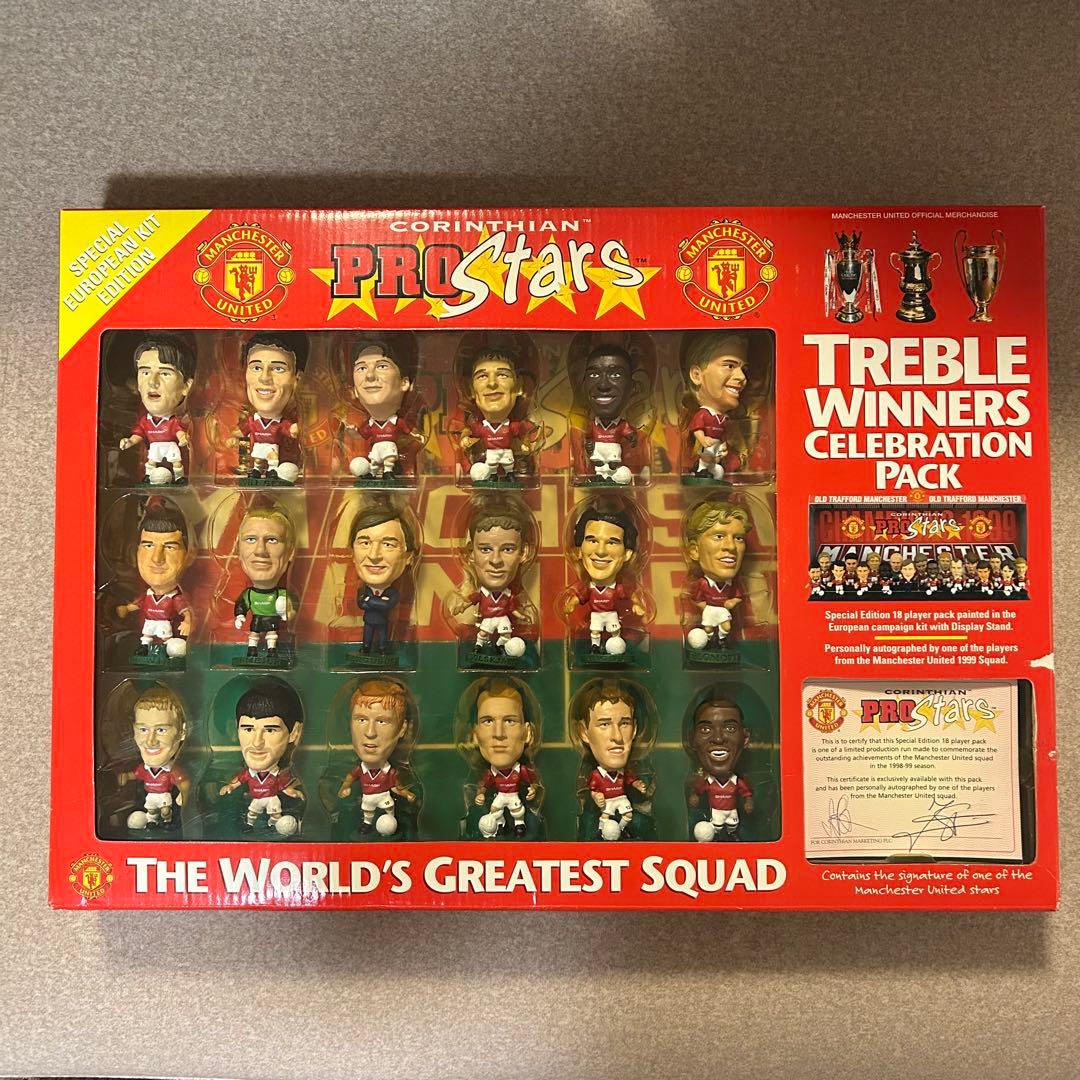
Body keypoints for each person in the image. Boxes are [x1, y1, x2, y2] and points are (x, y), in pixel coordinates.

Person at [445, 502, 535, 659]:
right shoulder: (481, 593)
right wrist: (462, 605)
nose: (496, 560)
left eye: (508, 549)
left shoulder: (509, 595)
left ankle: (500, 648)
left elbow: (513, 608)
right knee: (482, 634)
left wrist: (522, 616)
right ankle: (478, 648)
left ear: (524, 553)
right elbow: (470, 600)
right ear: (470, 553)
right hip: (486, 621)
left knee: (505, 633)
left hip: (502, 620)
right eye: (485, 549)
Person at [218, 678, 304, 834]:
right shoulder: (247, 775)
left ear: (294, 733)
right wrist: (230, 786)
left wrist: (292, 791)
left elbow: (284, 785)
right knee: (252, 813)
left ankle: (272, 826)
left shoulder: (281, 774)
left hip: (272, 800)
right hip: (255, 801)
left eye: (270, 730)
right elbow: (239, 780)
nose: (257, 743)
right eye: (248, 729)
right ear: (236, 729)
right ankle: (250, 825)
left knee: (275, 812)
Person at [336, 679, 417, 836]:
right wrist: (344, 787)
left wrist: (406, 794)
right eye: (361, 719)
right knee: (368, 812)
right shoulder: (360, 770)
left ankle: (390, 820)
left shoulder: (389, 771)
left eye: (382, 721)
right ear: (349, 724)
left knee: (389, 809)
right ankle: (367, 824)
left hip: (384, 798)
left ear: (402, 729)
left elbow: (396, 787)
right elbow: (350, 778)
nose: (370, 733)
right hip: (368, 799)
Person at [461, 677, 540, 839]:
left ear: (527, 732)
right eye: (488, 721)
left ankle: (519, 825)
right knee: (495, 810)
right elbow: (484, 785)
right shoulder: (488, 776)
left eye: (510, 721)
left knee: (518, 811)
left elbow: (532, 782)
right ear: (475, 734)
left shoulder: (521, 771)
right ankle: (500, 826)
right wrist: (480, 794)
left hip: (515, 799)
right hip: (499, 800)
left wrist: (533, 789)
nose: (498, 733)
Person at [563, 505, 645, 656]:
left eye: (612, 542)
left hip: (612, 615)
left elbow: (630, 595)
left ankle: (616, 646)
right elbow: (579, 597)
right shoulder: (588, 587)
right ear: (578, 550)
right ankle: (595, 647)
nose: (600, 551)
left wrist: (638, 605)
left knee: (615, 631)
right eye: (592, 541)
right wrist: (570, 604)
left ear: (627, 554)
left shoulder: (617, 587)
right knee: (595, 631)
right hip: (596, 616)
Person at [115, 501, 193, 659]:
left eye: (170, 547)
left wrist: (188, 622)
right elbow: (137, 604)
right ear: (135, 552)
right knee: (146, 637)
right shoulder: (148, 595)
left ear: (190, 555)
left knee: (167, 639)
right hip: (149, 624)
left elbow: (185, 611)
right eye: (148, 546)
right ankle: (144, 649)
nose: (157, 558)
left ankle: (168, 652)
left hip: (165, 625)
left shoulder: (175, 597)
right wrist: (126, 609)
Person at [227, 332, 307, 483]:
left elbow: (289, 430)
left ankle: (272, 471)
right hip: (258, 449)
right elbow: (241, 431)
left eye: (278, 369)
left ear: (297, 379)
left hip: (275, 451)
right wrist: (231, 438)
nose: (264, 378)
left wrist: (296, 429)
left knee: (272, 458)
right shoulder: (252, 420)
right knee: (258, 460)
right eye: (256, 367)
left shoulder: (280, 423)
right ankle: (257, 470)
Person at [574, 681, 649, 841]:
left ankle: (621, 829)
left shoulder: (643, 821)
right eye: (604, 724)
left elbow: (630, 780)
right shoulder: (595, 776)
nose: (617, 736)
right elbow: (592, 789)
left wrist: (637, 784)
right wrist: (596, 796)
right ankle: (603, 830)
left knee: (628, 815)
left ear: (634, 729)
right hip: (605, 807)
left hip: (621, 801)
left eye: (625, 723)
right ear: (584, 732)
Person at [119, 336, 195, 484]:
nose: (152, 383)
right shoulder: (145, 421)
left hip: (171, 447)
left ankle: (179, 477)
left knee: (175, 460)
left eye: (165, 373)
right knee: (152, 460)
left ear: (186, 386)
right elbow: (138, 434)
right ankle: (149, 476)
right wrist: (129, 441)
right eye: (145, 373)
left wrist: (183, 438)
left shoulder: (175, 421)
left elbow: (179, 432)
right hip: (154, 447)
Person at [346, 340, 425, 480]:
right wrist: (352, 432)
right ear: (355, 391)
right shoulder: (370, 424)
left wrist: (417, 436)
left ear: (404, 382)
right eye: (361, 368)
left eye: (382, 366)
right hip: (377, 448)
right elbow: (362, 434)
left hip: (390, 448)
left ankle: (388, 472)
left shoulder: (396, 421)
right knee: (375, 461)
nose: (370, 376)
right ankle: (373, 473)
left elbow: (409, 431)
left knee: (388, 459)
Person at [117, 686, 190, 830]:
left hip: (165, 800)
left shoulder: (172, 770)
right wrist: (124, 777)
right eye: (143, 729)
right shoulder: (143, 769)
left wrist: (185, 794)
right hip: (150, 800)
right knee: (150, 812)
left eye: (161, 730)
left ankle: (167, 821)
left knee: (165, 811)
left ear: (182, 732)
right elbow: (135, 775)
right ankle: (152, 821)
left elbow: (184, 783)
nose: (151, 741)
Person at [459, 351, 538, 483]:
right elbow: (470, 431)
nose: (492, 383)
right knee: (492, 466)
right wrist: (464, 438)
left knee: (508, 465)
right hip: (490, 456)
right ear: (471, 389)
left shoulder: (514, 425)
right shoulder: (481, 426)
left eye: (502, 375)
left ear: (519, 386)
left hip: (508, 455)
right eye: (482, 376)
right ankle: (493, 476)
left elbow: (524, 434)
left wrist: (525, 445)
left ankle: (510, 476)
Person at [683, 499, 751, 650]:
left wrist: (730, 603)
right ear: (694, 550)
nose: (731, 546)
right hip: (710, 611)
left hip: (721, 612)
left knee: (725, 627)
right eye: (719, 536)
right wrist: (706, 607)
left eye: (738, 538)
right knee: (708, 628)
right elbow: (696, 599)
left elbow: (737, 597)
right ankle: (708, 641)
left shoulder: (733, 585)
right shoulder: (702, 583)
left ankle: (720, 641)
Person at [350, 504, 417, 655]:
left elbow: (386, 604)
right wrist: (373, 602)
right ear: (352, 553)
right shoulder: (363, 590)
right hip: (368, 621)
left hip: (382, 622)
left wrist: (370, 601)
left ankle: (382, 649)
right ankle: (366, 648)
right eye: (365, 543)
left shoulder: (391, 593)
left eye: (388, 545)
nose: (374, 556)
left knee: (382, 637)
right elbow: (362, 603)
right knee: (367, 636)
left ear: (408, 556)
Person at [686, 696, 754, 842]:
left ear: (745, 738)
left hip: (732, 813)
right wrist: (695, 796)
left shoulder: (737, 780)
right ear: (692, 739)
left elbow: (746, 792)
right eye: (705, 729)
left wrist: (748, 801)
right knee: (716, 826)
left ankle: (732, 835)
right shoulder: (705, 781)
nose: (718, 739)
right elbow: (698, 790)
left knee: (732, 826)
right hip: (715, 813)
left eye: (730, 728)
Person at [683, 332, 748, 480]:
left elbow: (724, 434)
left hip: (718, 452)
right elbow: (696, 430)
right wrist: (703, 440)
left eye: (744, 370)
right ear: (696, 375)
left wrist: (724, 445)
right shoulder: (703, 414)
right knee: (706, 463)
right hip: (706, 449)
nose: (742, 377)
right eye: (730, 365)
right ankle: (700, 471)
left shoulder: (724, 419)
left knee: (718, 470)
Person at [233, 506, 295, 661]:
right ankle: (252, 651)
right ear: (238, 549)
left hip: (272, 622)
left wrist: (287, 611)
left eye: (272, 540)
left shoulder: (281, 594)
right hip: (256, 621)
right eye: (251, 539)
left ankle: (271, 652)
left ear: (290, 551)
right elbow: (241, 605)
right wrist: (239, 615)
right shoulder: (249, 594)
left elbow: (291, 610)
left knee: (271, 636)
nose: (260, 550)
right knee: (254, 635)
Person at [578, 344, 638, 485]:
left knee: (612, 464)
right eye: (594, 375)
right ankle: (600, 476)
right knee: (599, 465)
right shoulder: (592, 425)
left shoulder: (622, 425)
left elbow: (630, 435)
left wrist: (632, 438)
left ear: (632, 387)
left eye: (615, 375)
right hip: (598, 453)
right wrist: (589, 445)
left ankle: (611, 476)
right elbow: (587, 437)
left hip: (613, 454)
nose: (603, 385)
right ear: (583, 384)